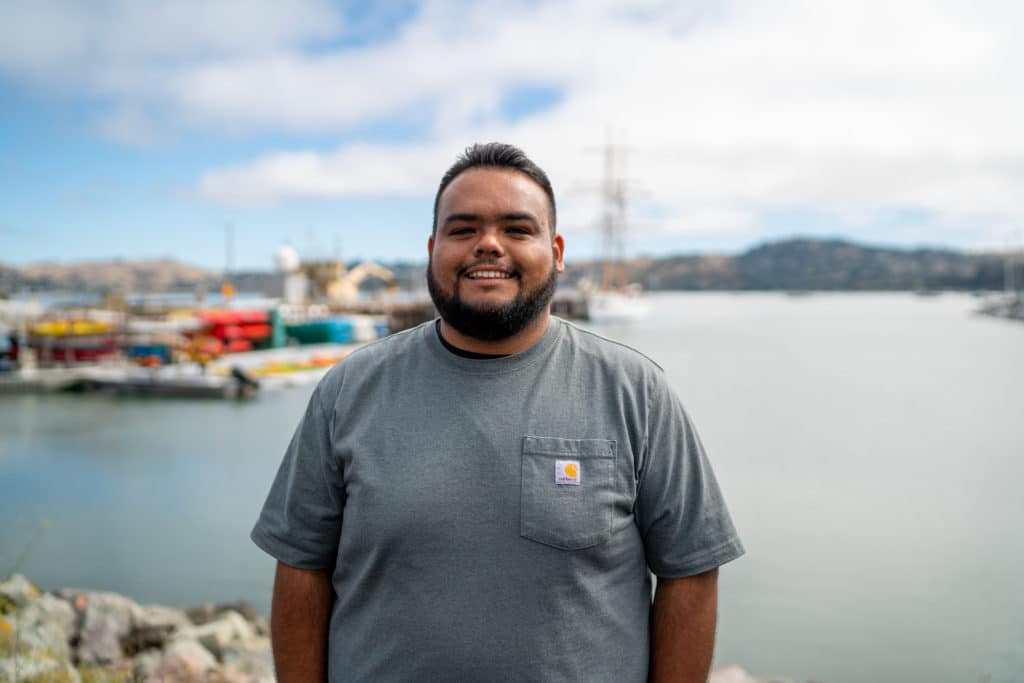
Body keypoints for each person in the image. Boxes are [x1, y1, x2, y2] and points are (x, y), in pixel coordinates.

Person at [251, 142, 744, 682]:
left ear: (556, 251)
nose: (488, 244)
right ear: (433, 249)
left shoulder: (636, 393)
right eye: (463, 230)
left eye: (516, 228)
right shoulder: (348, 392)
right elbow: (301, 566)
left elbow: (691, 573)